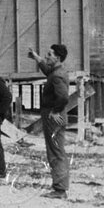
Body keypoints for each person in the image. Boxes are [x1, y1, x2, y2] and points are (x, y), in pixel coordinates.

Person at [29, 43, 71, 199]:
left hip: (54, 118)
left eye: (49, 54)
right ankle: (59, 186)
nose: (46, 56)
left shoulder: (58, 75)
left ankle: (60, 190)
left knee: (56, 152)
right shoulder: (57, 71)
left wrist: (54, 111)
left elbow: (63, 97)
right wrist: (37, 58)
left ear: (57, 58)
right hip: (56, 117)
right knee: (56, 151)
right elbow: (48, 71)